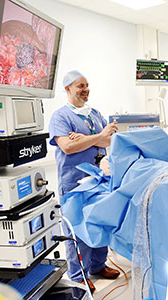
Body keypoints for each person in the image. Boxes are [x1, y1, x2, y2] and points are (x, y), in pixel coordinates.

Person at [49, 70, 119, 292]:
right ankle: (79, 275)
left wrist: (87, 139)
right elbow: (68, 147)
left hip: (99, 179)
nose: (85, 89)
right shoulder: (60, 117)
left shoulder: (94, 114)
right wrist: (98, 137)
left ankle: (98, 265)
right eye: (80, 85)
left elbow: (108, 140)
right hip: (74, 181)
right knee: (77, 228)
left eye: (87, 85)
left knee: (99, 221)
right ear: (67, 89)